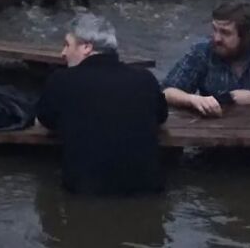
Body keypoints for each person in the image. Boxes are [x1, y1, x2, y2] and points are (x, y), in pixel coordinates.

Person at [36, 13, 168, 194]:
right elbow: (161, 116)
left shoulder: (60, 81)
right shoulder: (145, 79)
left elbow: (46, 119)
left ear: (86, 47)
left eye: (67, 44)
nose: (63, 53)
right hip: (147, 191)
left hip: (85, 193)